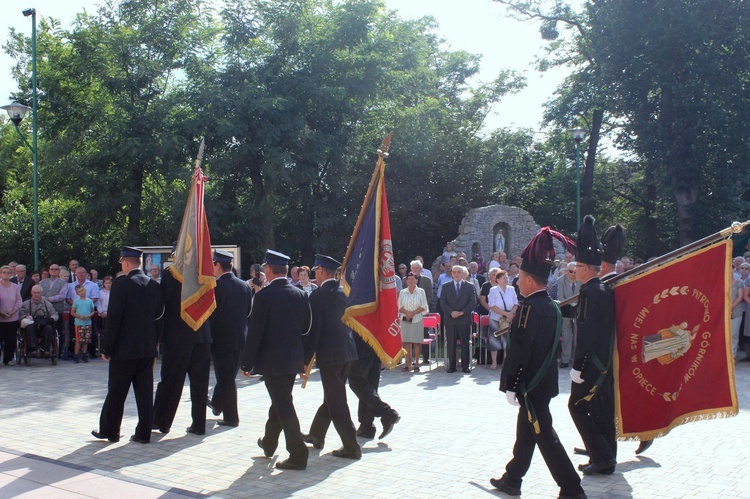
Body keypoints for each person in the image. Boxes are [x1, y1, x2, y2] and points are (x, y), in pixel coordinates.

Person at [492, 227, 585, 499]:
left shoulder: (529, 309)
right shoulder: (552, 305)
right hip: (544, 382)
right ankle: (513, 477)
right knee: (527, 430)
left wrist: (511, 385)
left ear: (530, 280)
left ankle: (572, 487)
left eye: (520, 277)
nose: (517, 281)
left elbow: (520, 351)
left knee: (544, 434)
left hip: (530, 385)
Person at [241, 249, 312, 470]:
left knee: (283, 404)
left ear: (269, 270)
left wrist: (246, 364)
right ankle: (269, 443)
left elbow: (255, 333)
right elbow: (306, 328)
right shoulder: (299, 294)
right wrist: (305, 360)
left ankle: (298, 453)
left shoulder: (263, 296)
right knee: (280, 400)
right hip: (292, 360)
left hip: (272, 362)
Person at [92, 246, 164, 444]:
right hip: (147, 347)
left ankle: (111, 431)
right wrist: (155, 342)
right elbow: (160, 317)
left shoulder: (121, 284)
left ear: (125, 262)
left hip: (124, 349)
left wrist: (107, 347)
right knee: (145, 393)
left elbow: (114, 318)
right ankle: (144, 433)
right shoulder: (154, 285)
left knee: (117, 391)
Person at [568, 216, 617, 475]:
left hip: (592, 365)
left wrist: (578, 367)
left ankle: (602, 457)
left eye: (577, 266)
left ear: (586, 269)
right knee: (601, 410)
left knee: (576, 406)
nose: (574, 270)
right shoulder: (603, 289)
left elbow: (586, 334)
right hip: (604, 362)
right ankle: (606, 454)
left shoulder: (589, 292)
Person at [302, 254, 360, 459]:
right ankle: (317, 435)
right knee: (332, 397)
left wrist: (304, 359)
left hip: (331, 355)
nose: (314, 275)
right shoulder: (342, 291)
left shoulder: (318, 296)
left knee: (337, 402)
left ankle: (351, 446)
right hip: (347, 352)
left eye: (315, 271)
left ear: (320, 271)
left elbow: (313, 330)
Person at [153, 257, 213, 436]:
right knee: (200, 383)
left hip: (177, 337)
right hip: (201, 334)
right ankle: (199, 424)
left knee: (171, 382)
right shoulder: (204, 273)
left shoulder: (171, 274)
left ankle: (161, 422)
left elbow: (163, 304)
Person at [208, 250, 252, 427]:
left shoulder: (215, 288)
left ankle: (231, 417)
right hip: (240, 338)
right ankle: (218, 404)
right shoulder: (244, 286)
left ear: (218, 265)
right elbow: (248, 311)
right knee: (228, 375)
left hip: (221, 340)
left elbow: (212, 316)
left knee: (226, 378)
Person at [439, 264, 476, 373]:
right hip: (450, 320)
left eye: (458, 272)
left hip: (464, 319)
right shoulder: (446, 286)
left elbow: (473, 302)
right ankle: (452, 366)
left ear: (462, 274)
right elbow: (443, 302)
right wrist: (451, 312)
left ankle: (465, 366)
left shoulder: (469, 286)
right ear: (451, 274)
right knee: (451, 343)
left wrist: (461, 312)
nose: (456, 274)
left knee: (465, 343)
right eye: (454, 272)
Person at [398, 271, 429, 372]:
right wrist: (407, 312)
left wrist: (413, 313)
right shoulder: (402, 292)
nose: (411, 281)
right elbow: (399, 306)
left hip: (417, 319)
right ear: (406, 281)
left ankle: (416, 363)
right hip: (405, 319)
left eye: (413, 279)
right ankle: (407, 364)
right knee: (406, 342)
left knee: (416, 343)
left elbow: (423, 305)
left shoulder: (421, 291)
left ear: (416, 280)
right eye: (409, 279)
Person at [487, 269, 518, 369]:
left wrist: (511, 315)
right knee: (494, 339)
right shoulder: (493, 290)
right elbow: (492, 305)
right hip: (496, 318)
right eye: (504, 278)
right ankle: (494, 362)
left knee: (507, 340)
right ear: (498, 280)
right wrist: (505, 314)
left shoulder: (511, 289)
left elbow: (516, 303)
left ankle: (506, 362)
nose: (506, 280)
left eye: (507, 278)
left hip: (509, 318)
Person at [19, 285, 58, 356]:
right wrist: (26, 316)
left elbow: (55, 314)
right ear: (31, 293)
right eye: (35, 292)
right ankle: (32, 349)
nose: (36, 294)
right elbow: (20, 315)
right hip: (31, 325)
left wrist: (51, 318)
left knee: (49, 328)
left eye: (38, 293)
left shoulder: (47, 304)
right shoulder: (26, 304)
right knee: (29, 328)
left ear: (41, 293)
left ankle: (45, 349)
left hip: (44, 324)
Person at [556, 262, 578, 369]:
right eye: (571, 271)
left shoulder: (581, 279)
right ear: (566, 271)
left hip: (578, 309)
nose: (573, 274)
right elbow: (560, 296)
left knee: (578, 335)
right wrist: (570, 303)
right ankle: (565, 359)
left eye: (575, 271)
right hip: (565, 309)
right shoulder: (560, 280)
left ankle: (577, 359)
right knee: (566, 336)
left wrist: (576, 304)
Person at [0, 265, 22, 366]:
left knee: (10, 339)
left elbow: (19, 301)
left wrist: (12, 312)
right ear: (0, 274)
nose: (6, 274)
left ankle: (8, 359)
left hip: (12, 317)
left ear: (11, 274)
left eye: (8, 272)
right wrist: (2, 312)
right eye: (4, 272)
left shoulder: (15, 287)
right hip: (0, 317)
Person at [71, 284, 95, 363]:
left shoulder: (89, 301)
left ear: (85, 290)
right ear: (77, 293)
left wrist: (89, 315)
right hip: (79, 323)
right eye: (79, 291)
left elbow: (93, 311)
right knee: (79, 340)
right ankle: (76, 355)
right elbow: (72, 312)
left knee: (86, 340)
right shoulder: (76, 302)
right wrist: (79, 316)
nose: (82, 292)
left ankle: (84, 354)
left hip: (87, 323)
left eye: (82, 290)